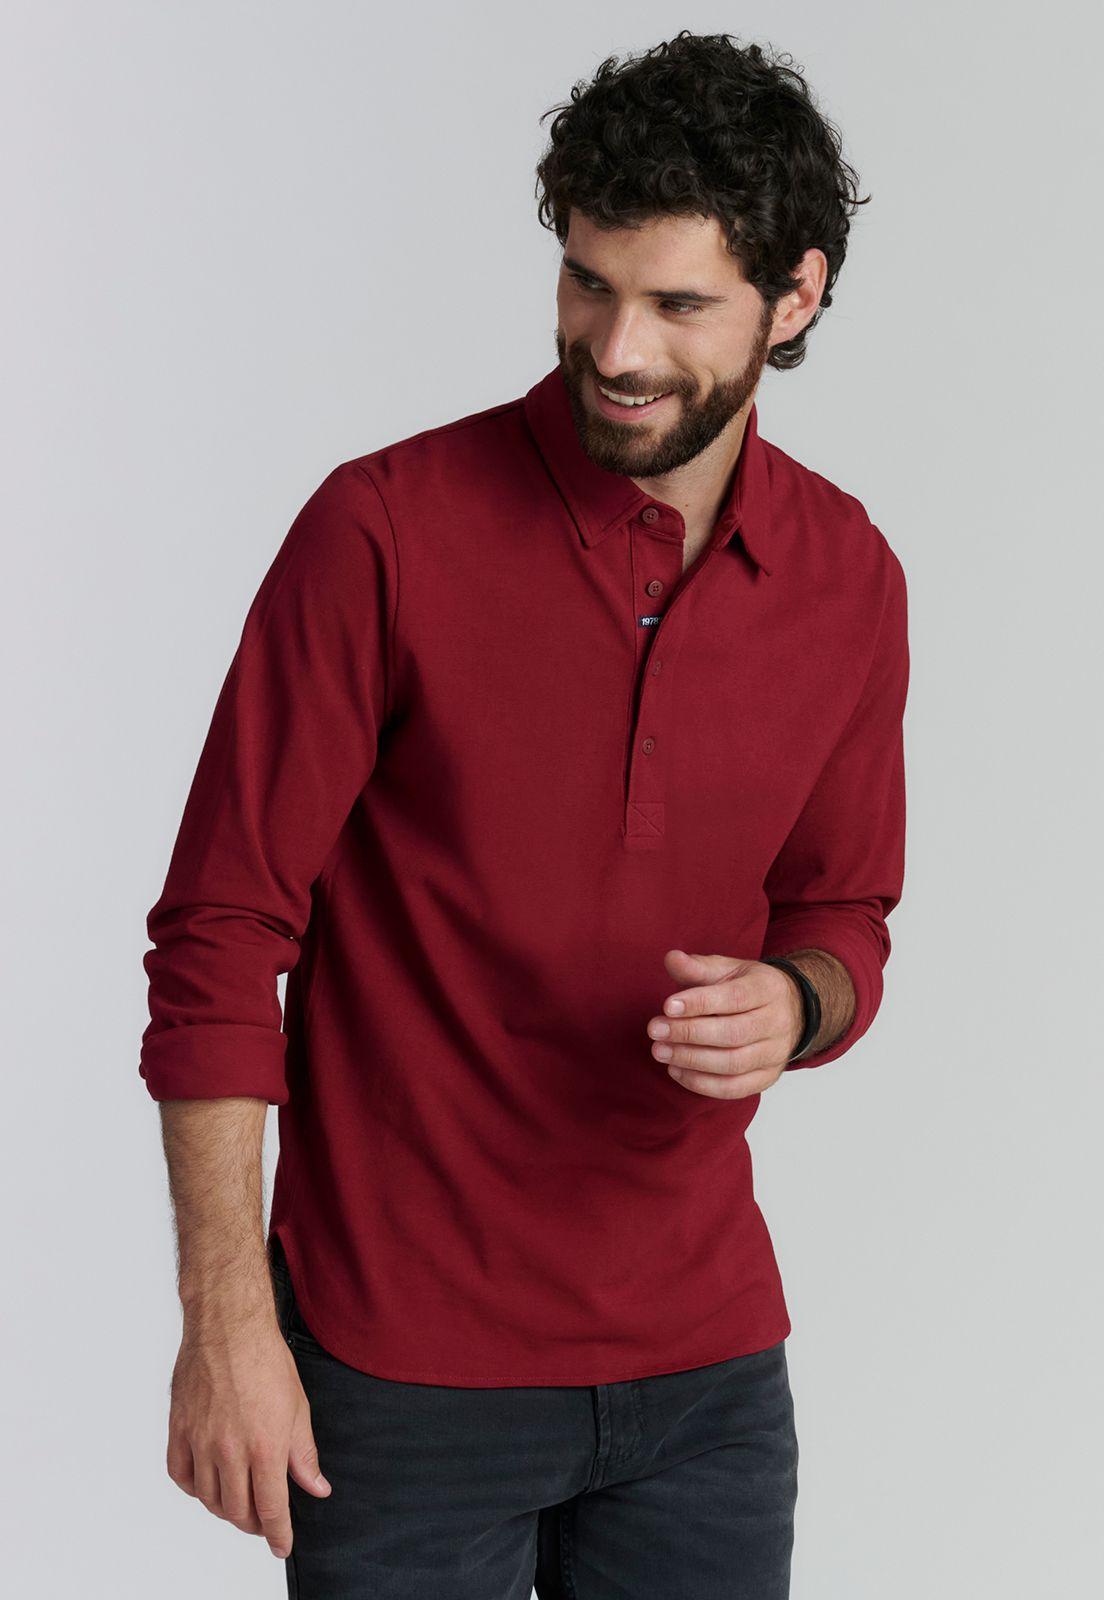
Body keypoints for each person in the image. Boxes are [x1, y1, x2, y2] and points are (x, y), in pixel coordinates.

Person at [139, 30, 908, 1600]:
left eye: (678, 305)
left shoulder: (849, 578)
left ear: (796, 298)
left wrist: (797, 1002)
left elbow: (845, 915)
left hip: (703, 1377)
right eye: (586, 283)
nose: (615, 348)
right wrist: (227, 1324)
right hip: (398, 1375)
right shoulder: (383, 533)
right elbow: (219, 936)